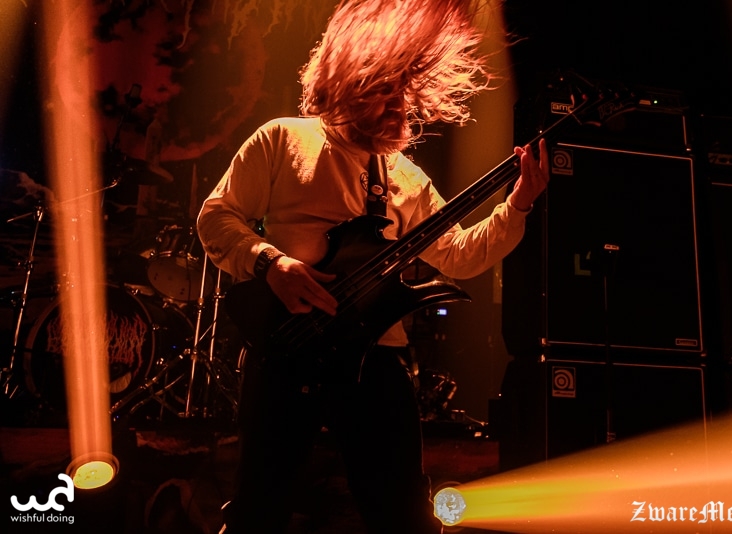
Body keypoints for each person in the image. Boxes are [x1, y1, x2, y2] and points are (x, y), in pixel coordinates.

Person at [196, 0, 550, 532]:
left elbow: (459, 255)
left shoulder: (405, 176)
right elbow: (216, 217)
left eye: (403, 93)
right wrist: (271, 263)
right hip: (287, 347)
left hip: (374, 357)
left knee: (403, 513)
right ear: (349, 82)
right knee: (259, 508)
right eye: (384, 90)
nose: (397, 105)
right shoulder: (283, 138)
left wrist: (518, 203)